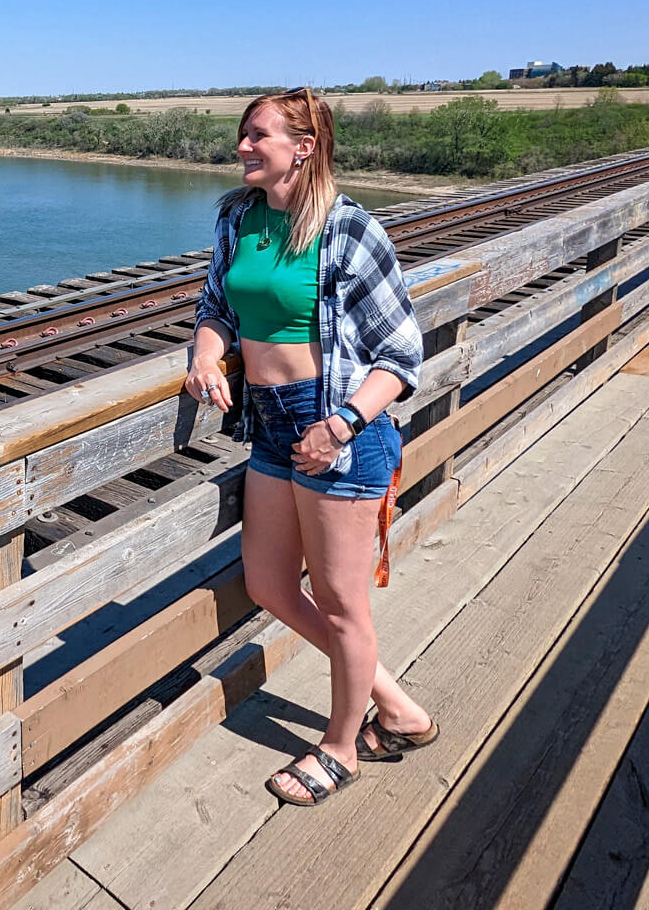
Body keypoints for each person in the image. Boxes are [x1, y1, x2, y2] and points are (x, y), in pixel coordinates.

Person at [185, 88, 439, 806]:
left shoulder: (351, 230)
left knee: (340, 602)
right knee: (268, 584)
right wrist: (208, 353)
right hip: (268, 422)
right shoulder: (237, 217)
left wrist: (341, 426)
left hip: (337, 425)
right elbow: (218, 306)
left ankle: (341, 747)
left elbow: (401, 354)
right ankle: (397, 707)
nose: (241, 147)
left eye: (256, 136)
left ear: (302, 147)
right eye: (242, 134)